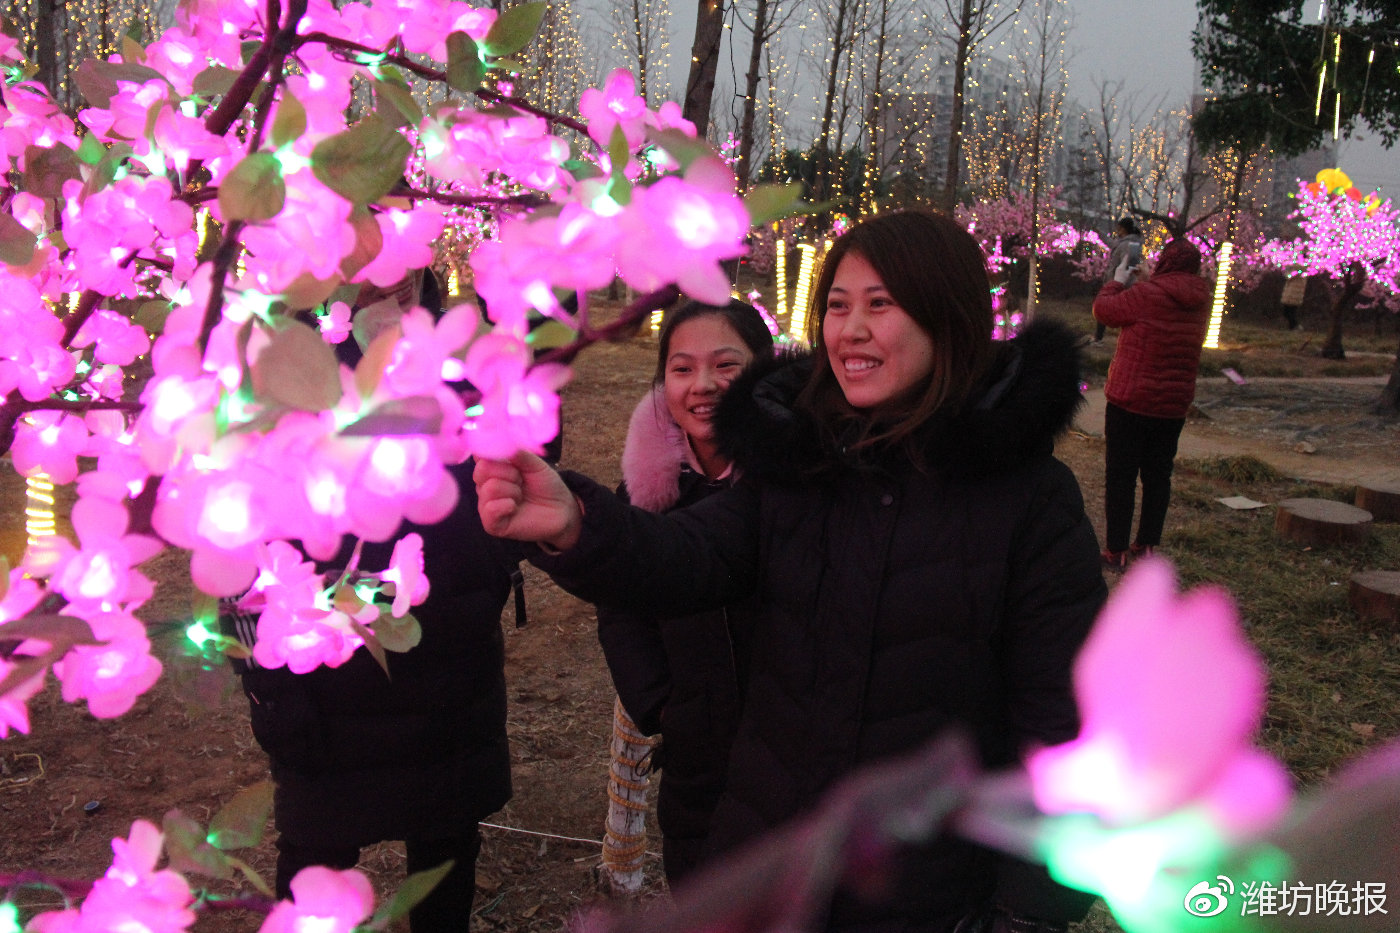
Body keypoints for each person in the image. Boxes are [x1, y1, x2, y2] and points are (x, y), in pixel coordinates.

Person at [476, 211, 1107, 932]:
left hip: (925, 891)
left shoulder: (1028, 499)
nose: (851, 330)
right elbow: (690, 555)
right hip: (773, 865)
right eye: (837, 306)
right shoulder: (803, 463)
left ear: (948, 317)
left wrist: (1023, 914)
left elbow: (1066, 726)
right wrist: (577, 524)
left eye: (881, 305)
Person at [225, 271, 519, 933]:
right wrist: (271, 667)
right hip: (324, 681)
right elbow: (246, 548)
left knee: (442, 858)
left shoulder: (456, 362)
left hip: (446, 660)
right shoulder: (280, 373)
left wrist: (484, 570)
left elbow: (503, 476)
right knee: (316, 857)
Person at [597, 298, 775, 884]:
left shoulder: (800, 481)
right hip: (695, 748)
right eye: (682, 368)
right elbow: (622, 608)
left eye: (727, 366)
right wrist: (661, 703)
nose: (704, 386)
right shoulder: (645, 492)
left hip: (791, 739)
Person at [1091, 238, 1212, 570]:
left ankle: (1115, 552)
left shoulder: (1145, 295)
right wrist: (1148, 283)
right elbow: (1166, 306)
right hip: (1172, 405)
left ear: (1166, 262)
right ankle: (1146, 547)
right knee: (1158, 477)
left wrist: (1117, 279)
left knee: (1121, 477)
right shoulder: (1202, 299)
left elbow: (1104, 311)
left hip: (1130, 401)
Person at [1093, 217, 1144, 343]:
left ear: (1124, 228)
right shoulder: (1125, 242)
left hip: (1121, 283)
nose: (1117, 231)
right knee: (1105, 307)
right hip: (1116, 281)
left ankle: (1102, 338)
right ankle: (1098, 337)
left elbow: (1130, 266)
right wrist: (1099, 233)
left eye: (1119, 228)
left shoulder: (1131, 244)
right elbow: (1111, 243)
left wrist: (1121, 281)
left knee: (1107, 307)